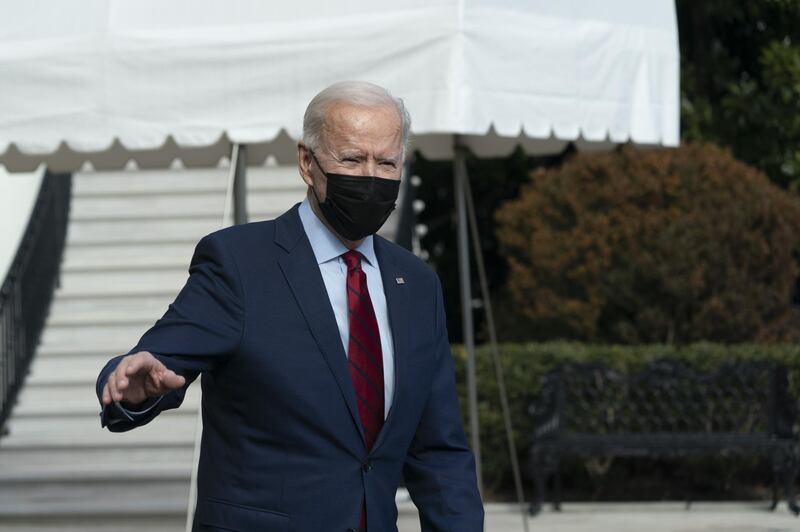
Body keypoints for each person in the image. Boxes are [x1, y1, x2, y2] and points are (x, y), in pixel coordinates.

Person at [96, 80, 484, 532]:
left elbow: (438, 452)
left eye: (387, 162)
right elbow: (155, 361)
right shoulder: (240, 264)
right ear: (307, 162)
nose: (371, 177)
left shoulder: (416, 284)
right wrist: (134, 387)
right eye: (353, 159)